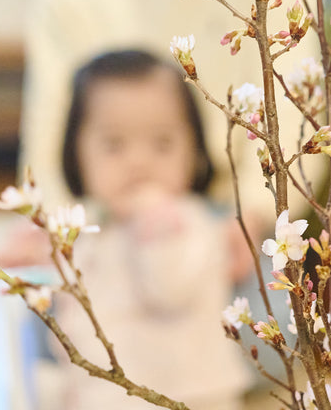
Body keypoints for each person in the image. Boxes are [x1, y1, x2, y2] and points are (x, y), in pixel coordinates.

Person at [20, 0, 325, 219]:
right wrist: (56, 230)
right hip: (100, 221)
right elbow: (46, 154)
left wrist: (250, 218)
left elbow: (294, 113)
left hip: (234, 217)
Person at [39, 49, 251, 409]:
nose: (138, 162)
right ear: (76, 154)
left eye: (162, 143)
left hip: (190, 393)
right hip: (109, 393)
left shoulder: (187, 223)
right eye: (114, 145)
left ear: (195, 150)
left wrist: (153, 223)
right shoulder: (90, 225)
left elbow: (169, 289)